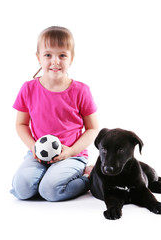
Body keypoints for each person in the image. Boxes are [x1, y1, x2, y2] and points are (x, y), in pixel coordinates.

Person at [10, 26, 99, 201]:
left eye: (62, 55)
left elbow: (93, 129)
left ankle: (89, 177)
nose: (55, 61)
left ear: (71, 58)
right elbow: (21, 124)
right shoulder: (28, 89)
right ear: (38, 57)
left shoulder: (81, 90)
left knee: (50, 191)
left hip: (71, 155)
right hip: (38, 155)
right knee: (21, 190)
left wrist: (71, 150)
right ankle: (46, 177)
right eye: (48, 55)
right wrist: (33, 147)